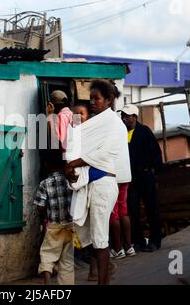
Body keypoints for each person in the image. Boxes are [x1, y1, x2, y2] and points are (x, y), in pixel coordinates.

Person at [65, 79, 131, 285]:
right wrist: (71, 170)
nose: (92, 102)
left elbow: (104, 153)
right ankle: (106, 270)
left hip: (103, 184)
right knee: (92, 238)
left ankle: (103, 281)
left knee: (100, 239)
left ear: (109, 100)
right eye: (91, 98)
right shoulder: (93, 123)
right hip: (87, 182)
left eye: (97, 98)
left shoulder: (115, 125)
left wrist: (73, 163)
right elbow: (77, 147)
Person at [119, 104, 163, 252]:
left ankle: (155, 240)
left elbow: (156, 153)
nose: (125, 118)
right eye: (123, 115)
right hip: (130, 179)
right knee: (133, 210)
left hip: (146, 176)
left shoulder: (144, 132)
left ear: (135, 117)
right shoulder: (120, 134)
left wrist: (155, 174)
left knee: (152, 208)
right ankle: (138, 241)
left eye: (128, 116)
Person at [34, 149, 74, 285]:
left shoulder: (44, 183)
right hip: (70, 225)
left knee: (47, 254)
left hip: (54, 226)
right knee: (67, 260)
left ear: (46, 165)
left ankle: (47, 282)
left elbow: (39, 206)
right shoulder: (70, 180)